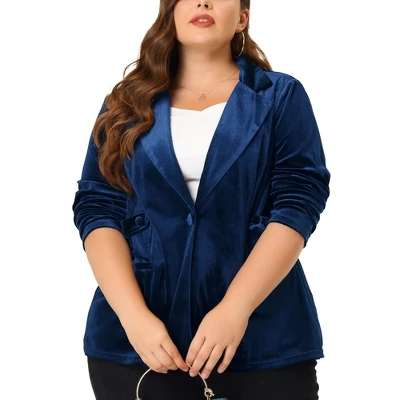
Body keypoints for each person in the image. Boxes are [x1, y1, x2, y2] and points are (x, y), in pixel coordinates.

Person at [72, 0, 330, 399]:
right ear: (171, 12)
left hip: (264, 339)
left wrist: (235, 309)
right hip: (139, 347)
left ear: (242, 17)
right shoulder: (125, 104)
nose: (204, 0)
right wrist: (133, 317)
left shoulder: (280, 96)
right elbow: (98, 207)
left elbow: (298, 202)